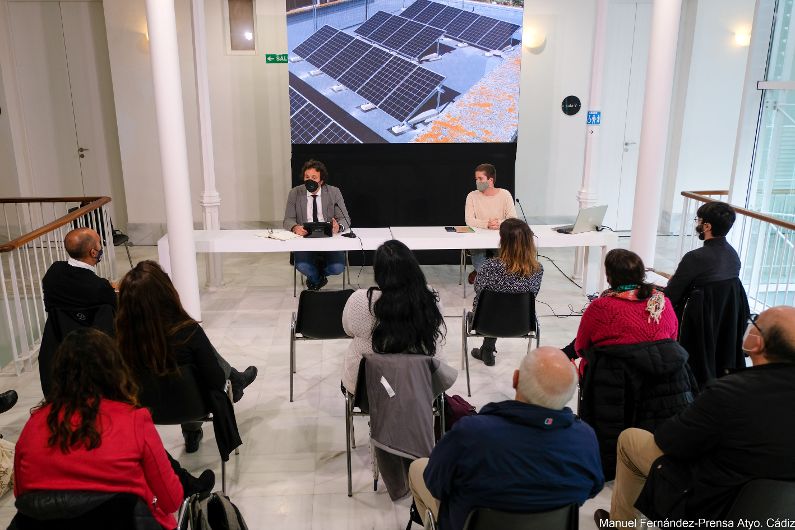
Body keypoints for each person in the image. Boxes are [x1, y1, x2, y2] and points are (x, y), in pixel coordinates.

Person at [594, 306, 795, 526]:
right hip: (778, 515)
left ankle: (622, 524)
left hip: (712, 506)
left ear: (757, 343)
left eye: (754, 322)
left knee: (630, 439)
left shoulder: (728, 393)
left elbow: (670, 441)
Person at [14, 329, 213, 529]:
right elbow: (172, 499)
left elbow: (22, 496)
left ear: (58, 374)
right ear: (114, 370)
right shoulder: (134, 420)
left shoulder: (33, 426)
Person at [409, 347, 604, 530]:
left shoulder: (471, 434)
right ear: (569, 394)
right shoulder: (585, 439)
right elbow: (591, 490)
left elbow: (435, 483)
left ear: (516, 378)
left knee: (418, 467)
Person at [115, 260, 257, 453]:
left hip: (143, 409)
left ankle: (194, 430)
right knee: (202, 371)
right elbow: (215, 380)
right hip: (194, 407)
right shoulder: (187, 331)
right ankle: (233, 382)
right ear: (166, 292)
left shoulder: (119, 339)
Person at [341, 239, 453, 395]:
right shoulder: (429, 297)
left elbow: (348, 330)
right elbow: (437, 331)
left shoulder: (360, 300)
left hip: (367, 390)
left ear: (378, 271)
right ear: (413, 268)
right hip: (422, 387)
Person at [39, 227, 117, 396]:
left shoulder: (53, 273)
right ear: (93, 252)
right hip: (94, 350)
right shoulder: (99, 287)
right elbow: (112, 312)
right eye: (100, 243)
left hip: (57, 343)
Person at [575, 249, 679, 362]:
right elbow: (672, 341)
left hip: (614, 374)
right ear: (642, 274)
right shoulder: (663, 303)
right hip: (661, 373)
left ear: (609, 277)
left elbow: (581, 348)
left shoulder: (601, 306)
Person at [469, 218, 543, 366]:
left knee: (493, 307)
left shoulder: (489, 266)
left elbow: (478, 290)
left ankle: (487, 350)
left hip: (484, 324)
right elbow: (533, 294)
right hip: (522, 323)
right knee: (504, 307)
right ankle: (487, 350)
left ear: (504, 241)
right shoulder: (537, 268)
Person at [283, 159, 352, 290]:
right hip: (305, 238)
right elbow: (287, 220)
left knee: (337, 267)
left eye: (314, 177)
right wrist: (295, 227)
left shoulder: (334, 192)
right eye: (307, 177)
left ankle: (316, 275)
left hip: (329, 238)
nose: (310, 180)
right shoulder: (295, 193)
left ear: (321, 180)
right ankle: (317, 278)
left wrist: (339, 227)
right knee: (302, 265)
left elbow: (345, 218)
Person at [665, 201, 740, 313]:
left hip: (692, 319)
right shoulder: (734, 255)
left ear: (707, 226)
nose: (697, 224)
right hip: (720, 320)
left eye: (699, 220)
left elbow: (671, 296)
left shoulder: (694, 257)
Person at [464, 163, 517, 284]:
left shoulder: (505, 194)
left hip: (499, 235)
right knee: (477, 248)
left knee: (505, 257)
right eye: (476, 179)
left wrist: (499, 223)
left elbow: (513, 218)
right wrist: (487, 224)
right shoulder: (472, 196)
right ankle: (481, 272)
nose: (477, 181)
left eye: (480, 179)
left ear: (490, 180)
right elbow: (469, 220)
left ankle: (493, 274)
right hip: (479, 235)